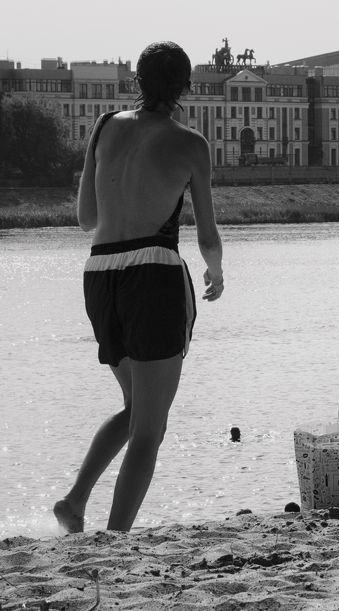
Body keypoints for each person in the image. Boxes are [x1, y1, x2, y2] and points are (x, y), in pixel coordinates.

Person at [53, 41, 224, 533]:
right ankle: (116, 540)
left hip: (99, 275)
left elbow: (87, 219)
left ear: (137, 81)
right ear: (186, 87)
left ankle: (74, 501)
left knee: (136, 410)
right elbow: (207, 233)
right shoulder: (191, 144)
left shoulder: (105, 125)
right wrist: (215, 271)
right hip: (153, 274)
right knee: (151, 427)